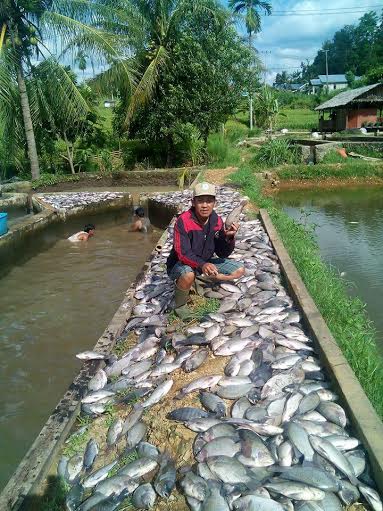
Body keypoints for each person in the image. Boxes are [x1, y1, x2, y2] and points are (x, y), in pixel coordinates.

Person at [166, 182, 245, 320]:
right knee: (188, 274)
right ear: (193, 202)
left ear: (214, 203)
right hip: (180, 264)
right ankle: (180, 306)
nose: (205, 205)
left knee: (239, 270)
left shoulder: (217, 221)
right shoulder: (183, 221)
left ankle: (200, 279)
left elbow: (223, 253)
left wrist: (228, 237)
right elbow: (183, 253)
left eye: (209, 201)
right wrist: (202, 265)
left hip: (204, 261)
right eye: (200, 201)